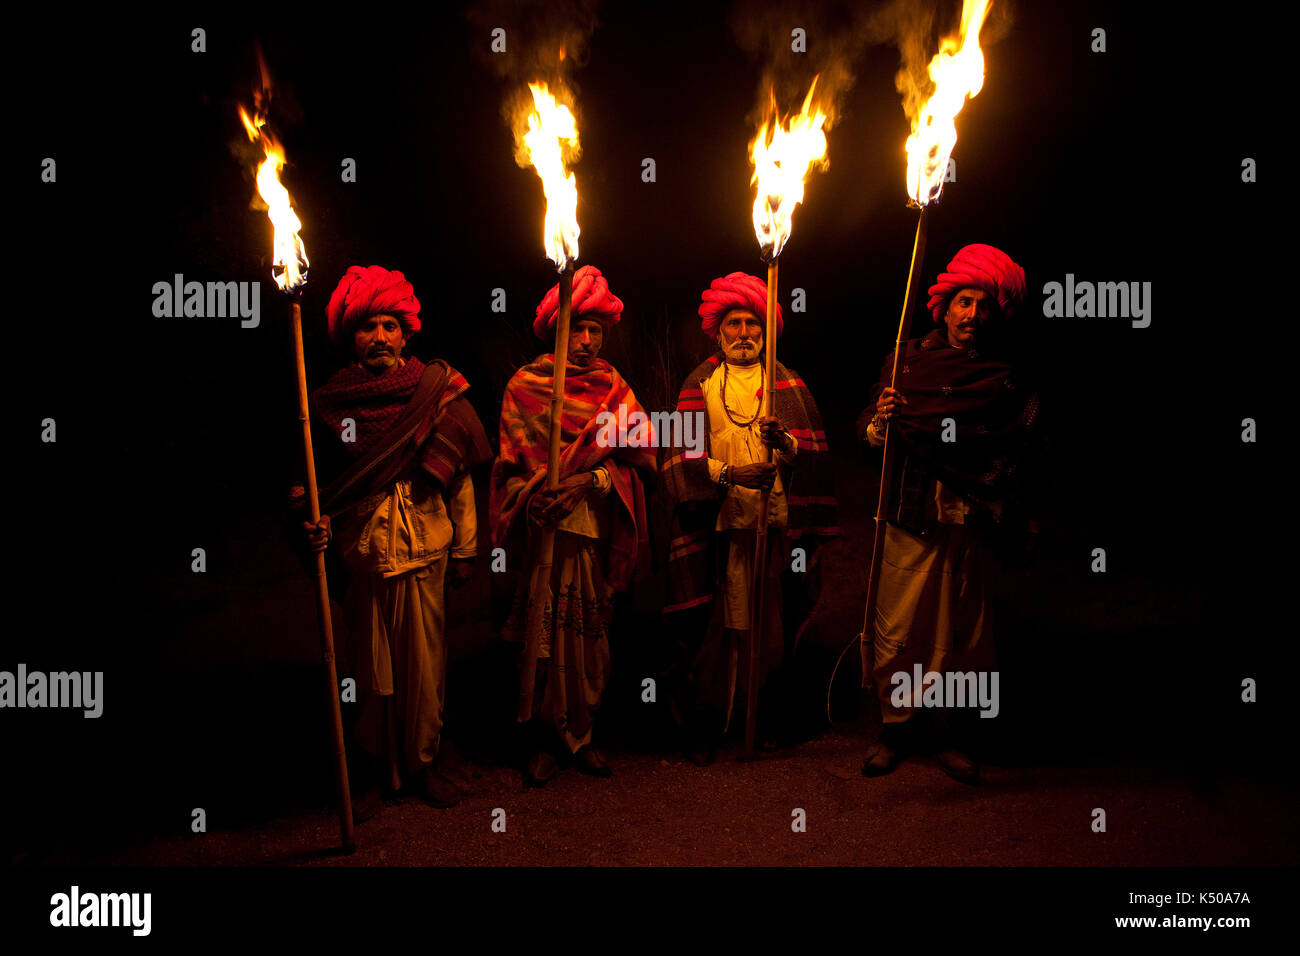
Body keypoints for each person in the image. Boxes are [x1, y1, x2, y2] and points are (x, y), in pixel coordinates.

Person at [294, 264, 492, 815]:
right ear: (350, 336)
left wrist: (467, 549)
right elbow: (318, 489)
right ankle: (377, 765)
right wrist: (315, 523)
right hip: (363, 556)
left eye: (390, 326)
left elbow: (461, 481)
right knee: (367, 668)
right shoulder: (328, 407)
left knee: (425, 668)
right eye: (367, 327)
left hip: (426, 548)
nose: (380, 336)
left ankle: (423, 760)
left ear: (406, 334)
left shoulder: (437, 393)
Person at [858, 243, 1038, 784]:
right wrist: (880, 421)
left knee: (965, 631)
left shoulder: (1004, 375)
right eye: (964, 302)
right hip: (911, 512)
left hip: (972, 517)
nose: (972, 314)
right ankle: (897, 729)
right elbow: (868, 428)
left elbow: (1020, 442)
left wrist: (1003, 497)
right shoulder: (907, 358)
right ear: (946, 306)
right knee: (901, 625)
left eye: (983, 306)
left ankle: (952, 733)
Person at [662, 272, 838, 763]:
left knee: (769, 626)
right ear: (718, 333)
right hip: (718, 528)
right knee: (717, 626)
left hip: (773, 527)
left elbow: (814, 458)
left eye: (753, 325)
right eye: (734, 324)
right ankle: (708, 722)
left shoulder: (787, 384)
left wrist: (786, 444)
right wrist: (733, 473)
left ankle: (760, 720)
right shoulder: (700, 384)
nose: (744, 334)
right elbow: (680, 458)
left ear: (766, 332)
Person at [489, 265, 655, 786]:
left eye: (594, 330)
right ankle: (541, 739)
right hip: (542, 536)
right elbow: (507, 471)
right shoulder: (524, 387)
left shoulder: (615, 390)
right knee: (539, 637)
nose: (585, 341)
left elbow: (640, 459)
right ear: (554, 330)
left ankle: (582, 733)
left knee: (590, 639)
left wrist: (590, 480)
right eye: (574, 328)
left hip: (594, 531)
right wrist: (531, 497)